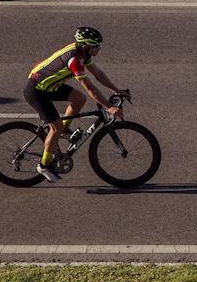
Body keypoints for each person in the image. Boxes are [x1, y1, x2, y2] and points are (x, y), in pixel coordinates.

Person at [25, 27, 127, 183]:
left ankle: (65, 129)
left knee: (79, 99)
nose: (99, 49)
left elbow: (98, 74)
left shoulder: (83, 53)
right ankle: (44, 165)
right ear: (86, 46)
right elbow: (90, 88)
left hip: (50, 86)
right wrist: (109, 107)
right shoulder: (74, 60)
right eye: (96, 46)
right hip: (37, 91)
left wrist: (116, 89)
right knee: (55, 127)